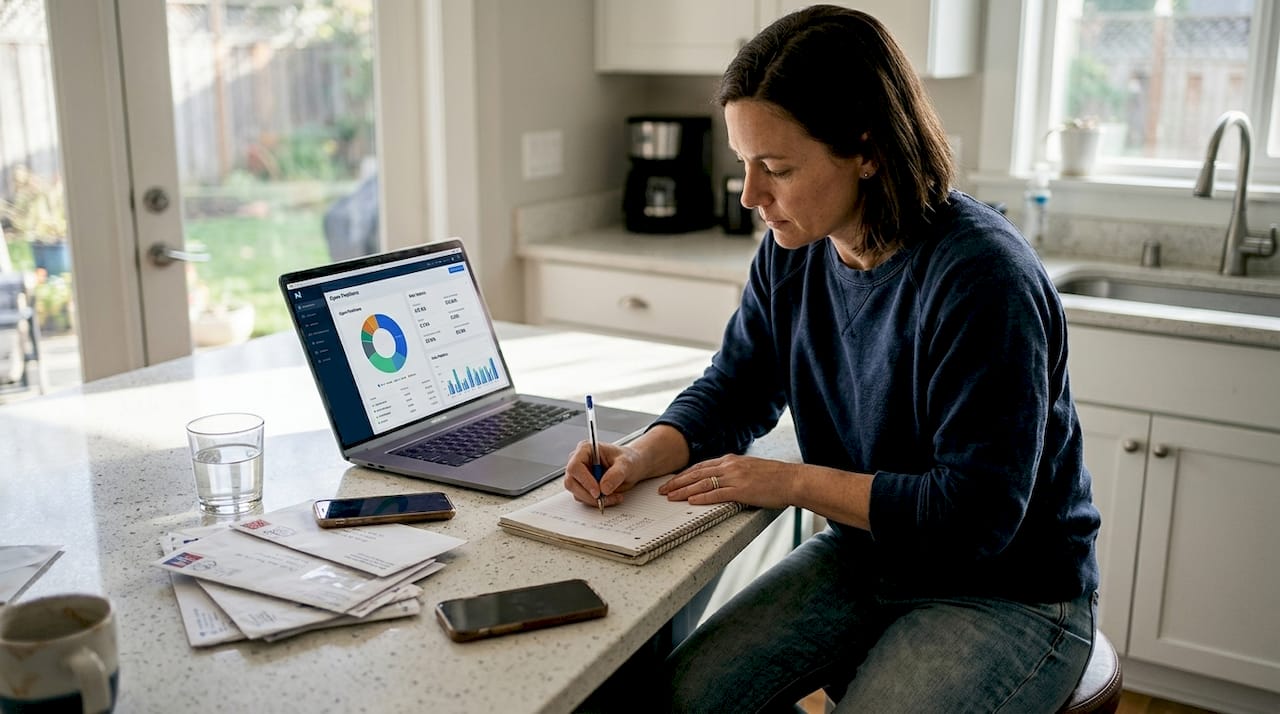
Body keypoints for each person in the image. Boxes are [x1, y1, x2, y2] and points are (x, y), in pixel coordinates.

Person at [567, 5, 1103, 712]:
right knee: (682, 701)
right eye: (744, 165)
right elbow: (736, 388)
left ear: (868, 150)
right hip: (867, 556)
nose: (751, 195)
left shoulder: (982, 279)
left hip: (1008, 592)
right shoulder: (793, 251)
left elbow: (977, 516)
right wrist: (641, 454)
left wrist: (790, 481)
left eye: (777, 168)